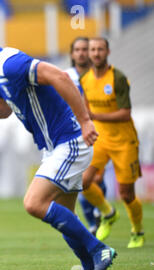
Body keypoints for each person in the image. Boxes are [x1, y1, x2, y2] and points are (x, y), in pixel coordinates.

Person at [0, 19, 116, 270]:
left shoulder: (11, 64)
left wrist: (85, 120)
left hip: (68, 142)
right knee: (63, 215)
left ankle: (98, 250)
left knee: (33, 203)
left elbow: (58, 76)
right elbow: (2, 109)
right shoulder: (1, 70)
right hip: (55, 146)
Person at [80, 37, 144, 248]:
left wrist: (95, 116)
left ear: (107, 52)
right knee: (83, 182)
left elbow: (125, 114)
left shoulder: (117, 78)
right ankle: (109, 213)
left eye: (100, 49)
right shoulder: (86, 80)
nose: (96, 53)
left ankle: (137, 230)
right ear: (89, 54)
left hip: (124, 141)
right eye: (93, 50)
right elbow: (87, 111)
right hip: (101, 139)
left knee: (126, 194)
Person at [65, 37, 105, 235]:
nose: (81, 53)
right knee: (84, 179)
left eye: (84, 49)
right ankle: (94, 219)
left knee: (96, 177)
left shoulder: (100, 76)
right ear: (72, 54)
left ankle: (100, 213)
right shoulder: (66, 76)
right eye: (77, 49)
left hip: (101, 130)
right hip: (76, 134)